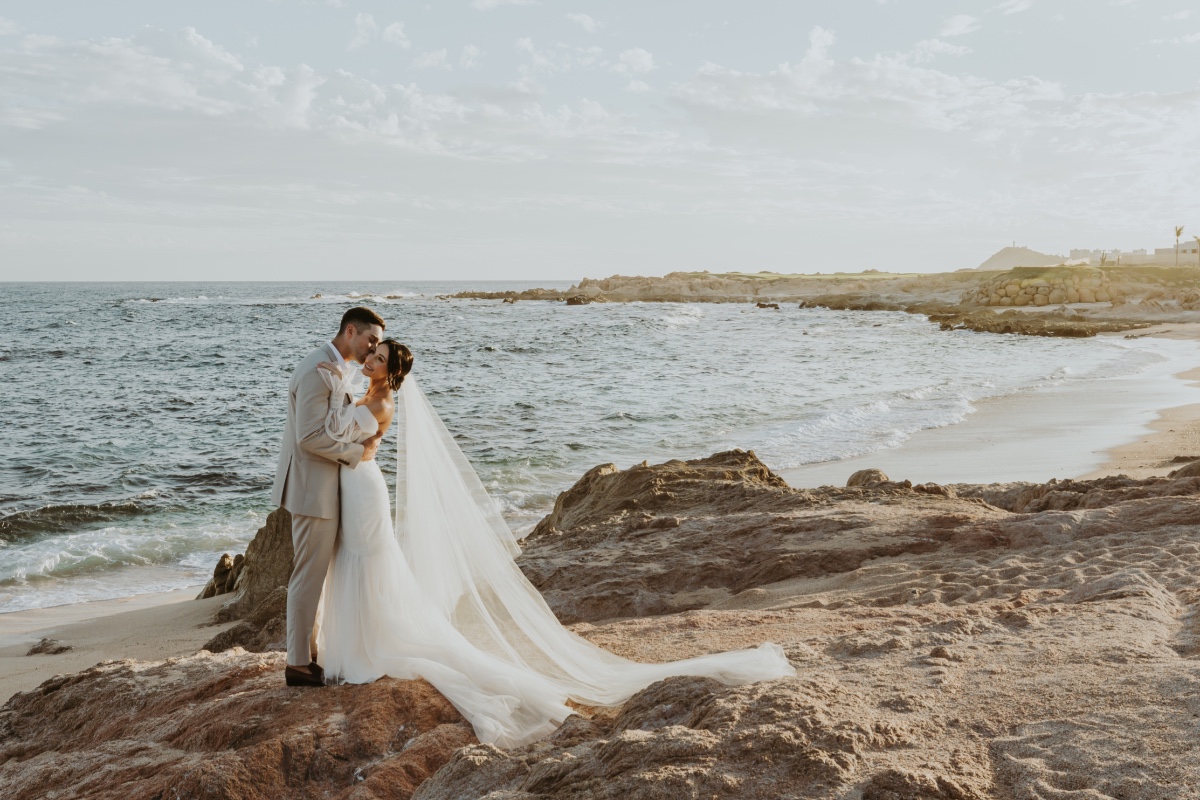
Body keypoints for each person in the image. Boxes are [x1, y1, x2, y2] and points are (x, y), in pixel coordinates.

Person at [310, 338, 797, 748]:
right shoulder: (367, 392)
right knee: (361, 559)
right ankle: (362, 641)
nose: (369, 358)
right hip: (357, 483)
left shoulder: (380, 402)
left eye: (377, 358)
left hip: (362, 484)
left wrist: (334, 429)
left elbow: (351, 445)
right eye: (370, 354)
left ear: (390, 372)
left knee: (369, 559)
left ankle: (368, 647)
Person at [270, 306, 385, 687]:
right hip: (310, 489)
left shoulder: (332, 368)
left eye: (378, 346)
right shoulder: (316, 370)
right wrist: (357, 452)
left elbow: (332, 424)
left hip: (323, 486)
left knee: (317, 575)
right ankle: (298, 664)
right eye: (371, 340)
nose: (372, 350)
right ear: (350, 332)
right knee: (307, 575)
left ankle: (311, 651)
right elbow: (308, 437)